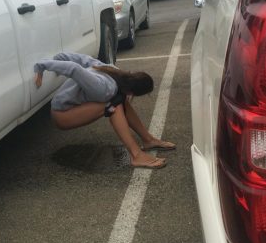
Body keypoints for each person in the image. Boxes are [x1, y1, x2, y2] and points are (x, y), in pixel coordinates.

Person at [34, 52, 176, 169]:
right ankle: (136, 155)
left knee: (119, 101)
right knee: (114, 105)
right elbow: (73, 69)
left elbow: (83, 59)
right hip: (62, 115)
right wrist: (42, 66)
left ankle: (148, 140)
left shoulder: (114, 70)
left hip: (71, 107)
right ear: (132, 93)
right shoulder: (105, 89)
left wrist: (60, 57)